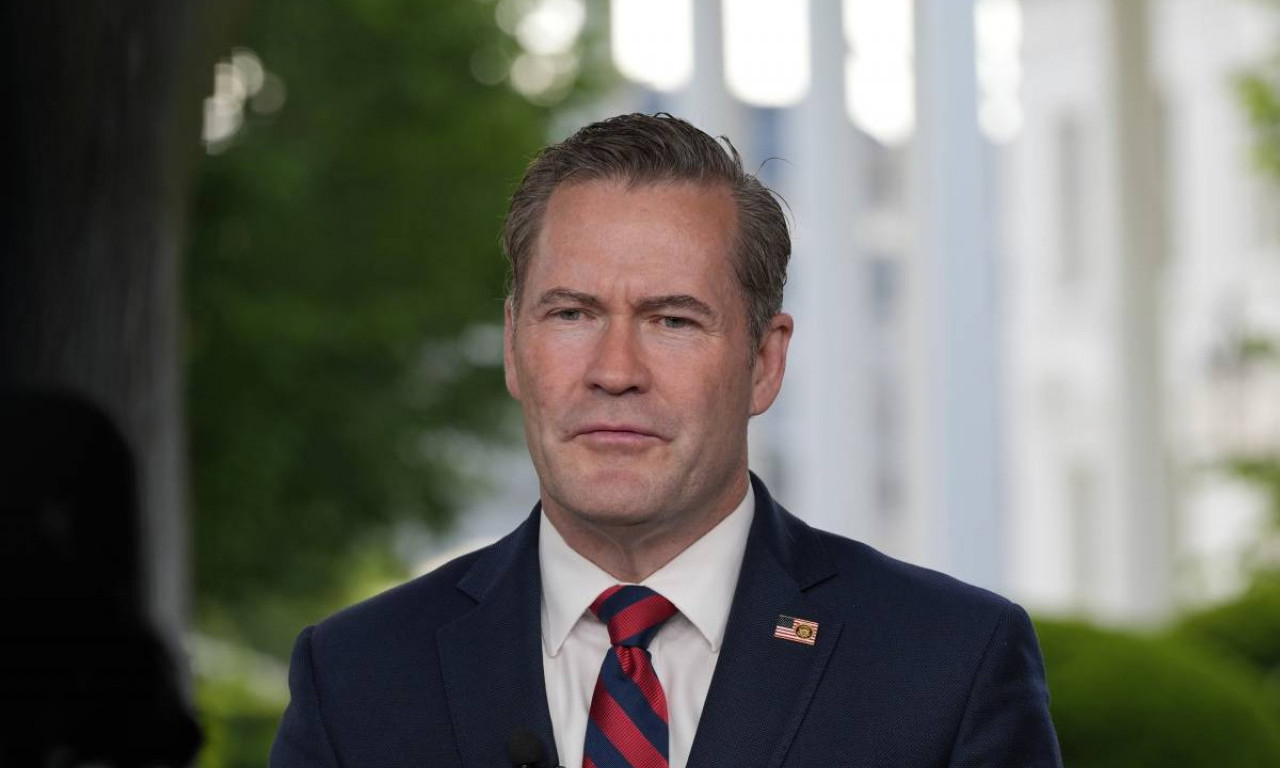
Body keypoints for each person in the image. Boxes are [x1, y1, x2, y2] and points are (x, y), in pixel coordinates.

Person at [269, 113, 1062, 768]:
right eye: (571, 314)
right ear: (514, 347)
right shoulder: (357, 679)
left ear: (764, 362)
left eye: (673, 320)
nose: (615, 372)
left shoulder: (946, 667)